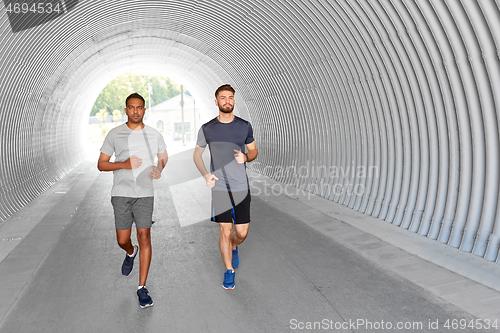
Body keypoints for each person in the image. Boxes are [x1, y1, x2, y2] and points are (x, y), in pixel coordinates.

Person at [97, 92, 168, 308]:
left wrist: (159, 168)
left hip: (145, 193)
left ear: (144, 110)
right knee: (122, 240)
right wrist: (124, 164)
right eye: (131, 107)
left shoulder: (154, 134)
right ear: (126, 110)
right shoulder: (115, 134)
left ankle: (141, 288)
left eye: (139, 107)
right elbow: (101, 164)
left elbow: (163, 157)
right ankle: (130, 251)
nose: (135, 111)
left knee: (145, 235)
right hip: (121, 193)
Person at [193, 84, 258, 289]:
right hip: (220, 187)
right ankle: (229, 270)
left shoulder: (244, 126)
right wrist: (206, 175)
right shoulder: (207, 128)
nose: (227, 101)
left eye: (230, 97)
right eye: (223, 98)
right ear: (216, 102)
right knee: (224, 230)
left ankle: (234, 246)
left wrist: (246, 157)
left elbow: (254, 151)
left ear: (234, 101)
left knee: (241, 232)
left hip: (240, 186)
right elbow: (196, 155)